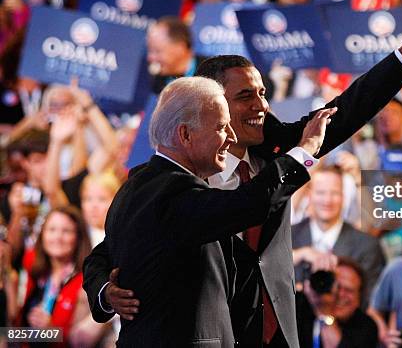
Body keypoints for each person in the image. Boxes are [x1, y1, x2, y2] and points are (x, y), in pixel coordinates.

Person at [84, 0, 402, 347]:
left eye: (262, 92)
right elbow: (109, 248)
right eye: (245, 96)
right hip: (208, 332)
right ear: (212, 103)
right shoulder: (169, 176)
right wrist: (104, 291)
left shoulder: (275, 146)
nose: (261, 106)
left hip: (276, 328)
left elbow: (348, 110)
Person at [95, 77, 332, 346]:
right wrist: (305, 151)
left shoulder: (137, 185)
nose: (231, 137)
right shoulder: (173, 193)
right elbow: (250, 204)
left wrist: (104, 291)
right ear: (185, 134)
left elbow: (99, 257)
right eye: (222, 127)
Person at [292, 165, 385, 304]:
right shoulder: (288, 237)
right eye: (321, 193)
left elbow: (369, 303)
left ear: (344, 197)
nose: (327, 200)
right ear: (309, 195)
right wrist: (302, 254)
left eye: (334, 193)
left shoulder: (367, 245)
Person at [18, 206, 96, 345]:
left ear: (78, 238)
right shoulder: (32, 266)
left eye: (66, 231)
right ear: (42, 235)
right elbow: (16, 326)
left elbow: (78, 344)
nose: (57, 237)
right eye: (52, 230)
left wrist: (51, 331)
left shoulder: (86, 281)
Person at [295, 257, 378, 348]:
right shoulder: (302, 306)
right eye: (336, 287)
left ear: (360, 297)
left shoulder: (366, 326)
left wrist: (324, 312)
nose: (339, 294)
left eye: (348, 290)